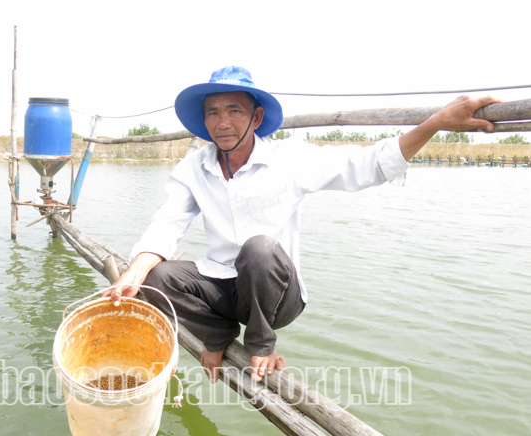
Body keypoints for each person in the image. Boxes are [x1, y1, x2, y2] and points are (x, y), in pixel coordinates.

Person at [103, 66, 498, 383]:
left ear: (256, 117)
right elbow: (168, 223)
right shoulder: (195, 167)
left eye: (234, 110)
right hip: (223, 289)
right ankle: (219, 336)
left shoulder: (290, 159)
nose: (222, 122)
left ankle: (260, 345)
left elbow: (369, 163)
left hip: (276, 294)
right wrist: (133, 274)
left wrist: (436, 123)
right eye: (213, 112)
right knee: (157, 278)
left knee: (258, 248)